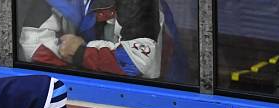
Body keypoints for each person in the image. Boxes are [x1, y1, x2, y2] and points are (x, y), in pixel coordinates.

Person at [18, 0, 186, 81]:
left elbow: (134, 63)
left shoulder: (141, 3)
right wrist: (84, 62)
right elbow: (33, 47)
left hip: (154, 92)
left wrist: (79, 53)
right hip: (75, 86)